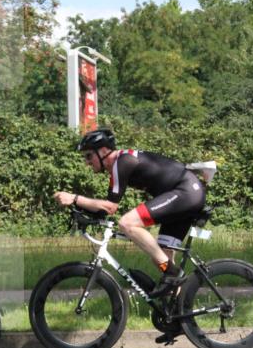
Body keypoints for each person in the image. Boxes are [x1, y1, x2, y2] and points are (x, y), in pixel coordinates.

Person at [54, 128, 206, 300]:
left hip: (186, 192)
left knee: (127, 223)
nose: (87, 162)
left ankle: (173, 273)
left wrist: (74, 198)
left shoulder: (122, 162)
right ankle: (177, 313)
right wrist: (82, 210)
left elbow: (110, 207)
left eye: (89, 156)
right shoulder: (118, 165)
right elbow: (104, 208)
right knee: (162, 257)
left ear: (103, 151)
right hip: (186, 194)